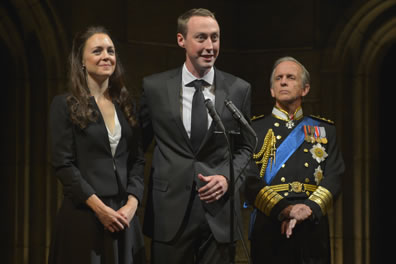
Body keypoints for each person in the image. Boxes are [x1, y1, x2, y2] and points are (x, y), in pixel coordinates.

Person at [139, 8, 254, 264]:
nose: (210, 46)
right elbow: (138, 147)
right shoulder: (154, 88)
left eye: (215, 37)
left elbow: (247, 149)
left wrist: (227, 178)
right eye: (201, 37)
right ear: (182, 40)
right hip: (169, 211)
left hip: (220, 213)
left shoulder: (238, 89)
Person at [48, 26, 145, 264]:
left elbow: (137, 160)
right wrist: (100, 210)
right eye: (97, 51)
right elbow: (63, 165)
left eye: (111, 51)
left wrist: (132, 204)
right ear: (81, 60)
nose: (106, 56)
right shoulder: (64, 105)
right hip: (85, 214)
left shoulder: (126, 105)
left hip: (123, 215)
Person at [245, 56, 344, 264]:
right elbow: (249, 178)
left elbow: (335, 175)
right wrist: (285, 210)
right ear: (272, 90)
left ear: (305, 89)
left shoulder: (325, 130)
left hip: (312, 224)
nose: (283, 82)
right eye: (278, 78)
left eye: (290, 77)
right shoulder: (254, 129)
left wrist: (308, 209)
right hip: (270, 222)